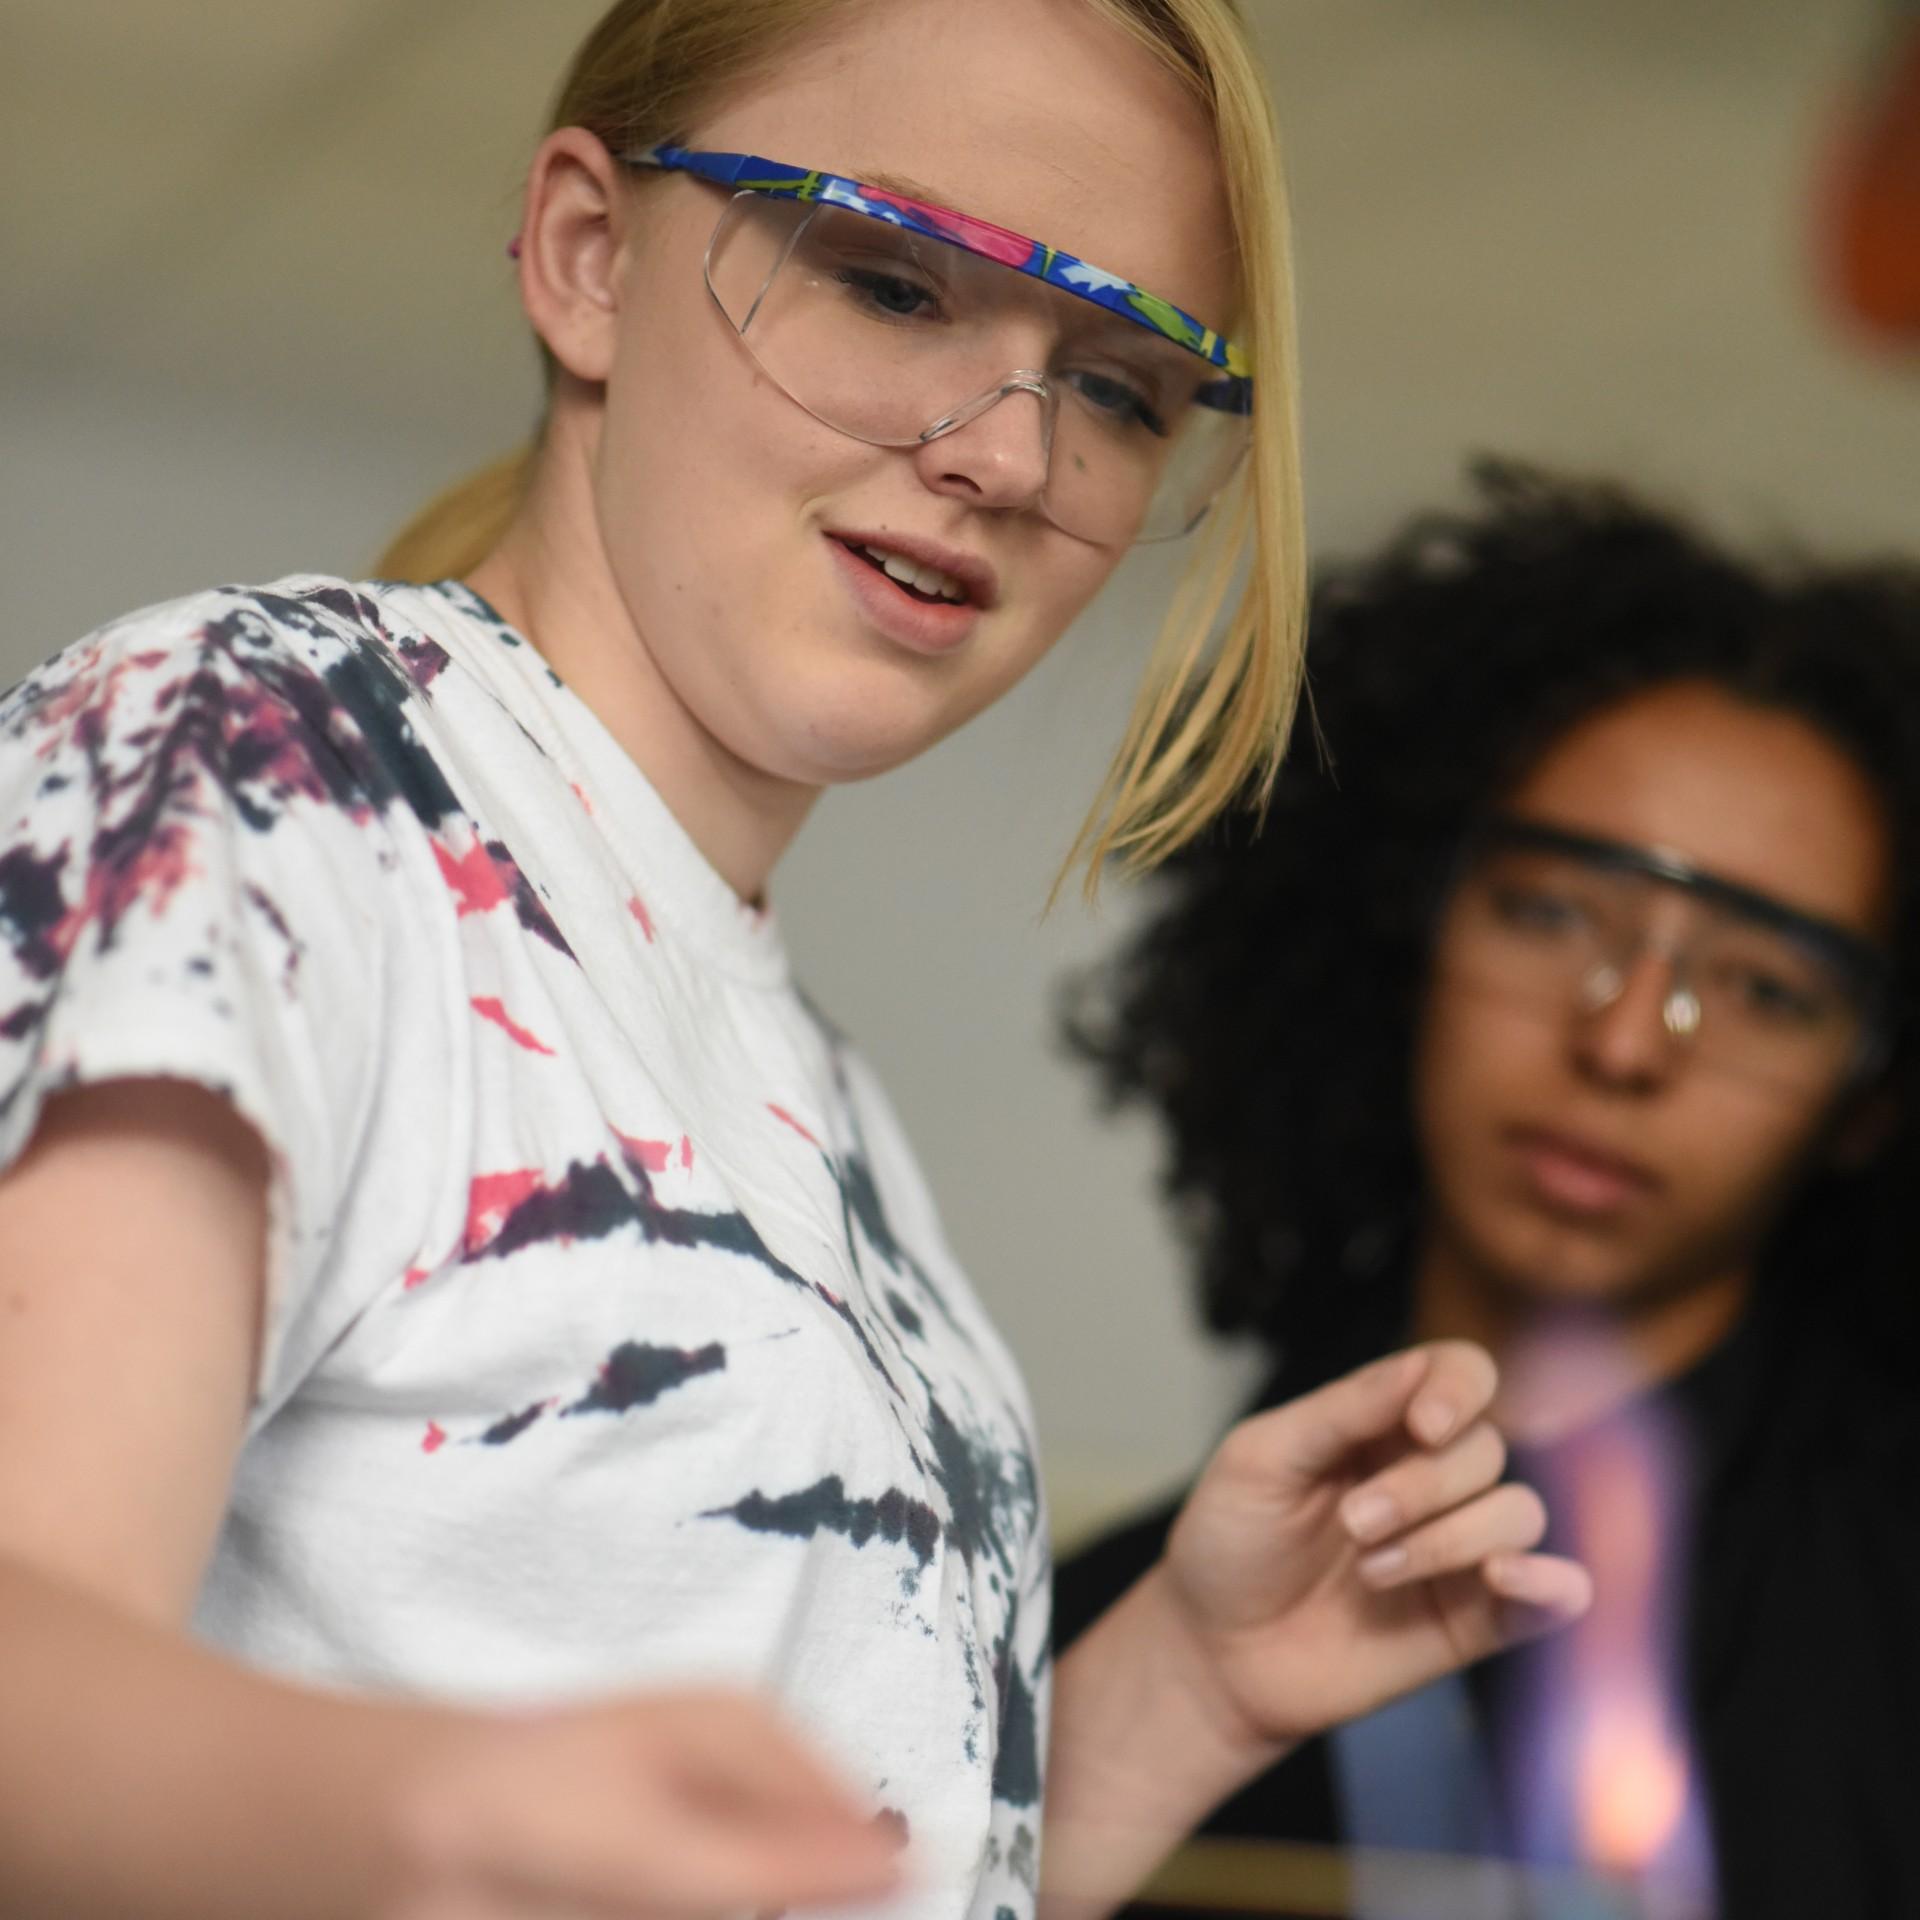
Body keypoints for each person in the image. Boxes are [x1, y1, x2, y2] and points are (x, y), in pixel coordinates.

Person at [0, 7, 1596, 1915]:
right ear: (589, 257)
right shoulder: (266, 763)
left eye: (1117, 387)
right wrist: (444, 1821)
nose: (1007, 454)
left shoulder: (801, 1092)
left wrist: (1178, 1685)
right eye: (892, 283)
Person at [1055, 462, 1920, 1919]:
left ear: (1871, 1096)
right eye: (1550, 912)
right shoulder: (1081, 1650)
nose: (1627, 1040)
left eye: (1766, 989)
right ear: (1404, 922)